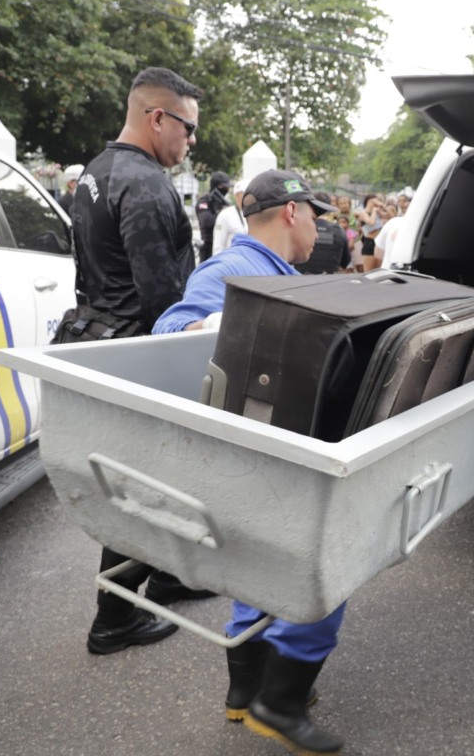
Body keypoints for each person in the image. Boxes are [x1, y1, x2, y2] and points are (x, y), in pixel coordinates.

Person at [153, 170, 346, 754]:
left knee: (260, 562)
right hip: (260, 450)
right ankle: (279, 699)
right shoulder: (235, 270)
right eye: (314, 213)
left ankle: (245, 693)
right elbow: (169, 326)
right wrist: (209, 324)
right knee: (328, 559)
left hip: (265, 447)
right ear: (290, 213)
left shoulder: (283, 274)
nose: (320, 225)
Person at [67, 66, 214, 655]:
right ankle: (115, 619)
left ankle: (170, 577)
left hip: (99, 335)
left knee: (155, 477)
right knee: (144, 483)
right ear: (158, 118)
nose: (192, 140)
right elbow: (162, 300)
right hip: (138, 348)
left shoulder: (96, 172)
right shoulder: (148, 185)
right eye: (188, 127)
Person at [297, 191, 352, 274]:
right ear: (329, 206)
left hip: (300, 281)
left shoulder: (300, 228)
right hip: (327, 282)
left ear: (311, 205)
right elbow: (345, 262)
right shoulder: (340, 231)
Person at [197, 171, 233, 263]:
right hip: (208, 247)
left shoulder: (225, 203)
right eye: (224, 187)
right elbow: (206, 222)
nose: (227, 190)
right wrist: (220, 211)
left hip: (223, 247)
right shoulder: (204, 201)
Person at [212, 176, 249, 257]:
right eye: (243, 194)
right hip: (231, 264)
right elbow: (218, 247)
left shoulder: (254, 215)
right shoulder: (226, 215)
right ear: (236, 195)